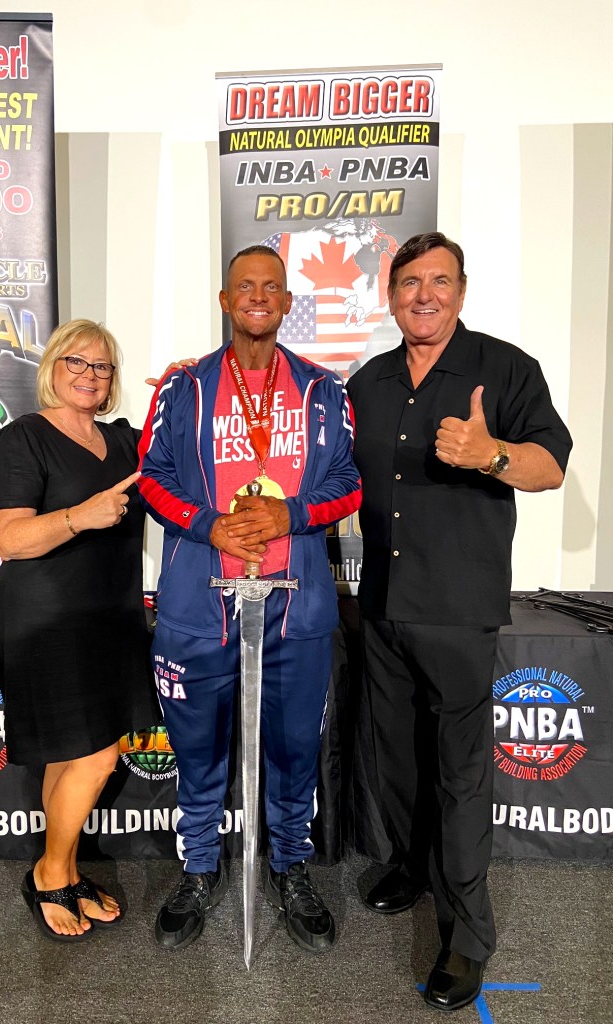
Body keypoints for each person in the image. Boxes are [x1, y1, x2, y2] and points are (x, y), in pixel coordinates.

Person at [346, 233, 572, 1010]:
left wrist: (490, 454)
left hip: (457, 612)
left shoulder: (505, 368)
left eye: (439, 281)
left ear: (462, 291)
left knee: (461, 773)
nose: (424, 295)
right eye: (410, 282)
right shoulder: (367, 381)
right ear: (391, 295)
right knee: (401, 763)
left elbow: (551, 465)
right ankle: (412, 865)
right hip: (381, 606)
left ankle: (467, 934)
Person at [138, 245, 362, 954]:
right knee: (198, 750)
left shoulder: (325, 390)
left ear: (287, 301)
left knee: (295, 749)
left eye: (272, 287)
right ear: (226, 300)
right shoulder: (183, 388)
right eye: (246, 287)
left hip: (297, 607)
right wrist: (209, 524)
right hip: (199, 604)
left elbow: (351, 484)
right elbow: (150, 477)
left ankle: (290, 866)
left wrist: (290, 515)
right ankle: (200, 868)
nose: (259, 296)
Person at [0, 318, 160, 942]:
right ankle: (50, 874)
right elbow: (9, 537)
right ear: (53, 368)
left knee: (70, 755)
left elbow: (192, 460)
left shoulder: (124, 440)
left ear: (111, 382)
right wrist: (81, 516)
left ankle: (65, 869)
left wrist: (190, 388)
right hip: (50, 622)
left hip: (114, 620)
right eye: (77, 363)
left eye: (101, 367)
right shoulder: (24, 438)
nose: (88, 374)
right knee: (98, 755)